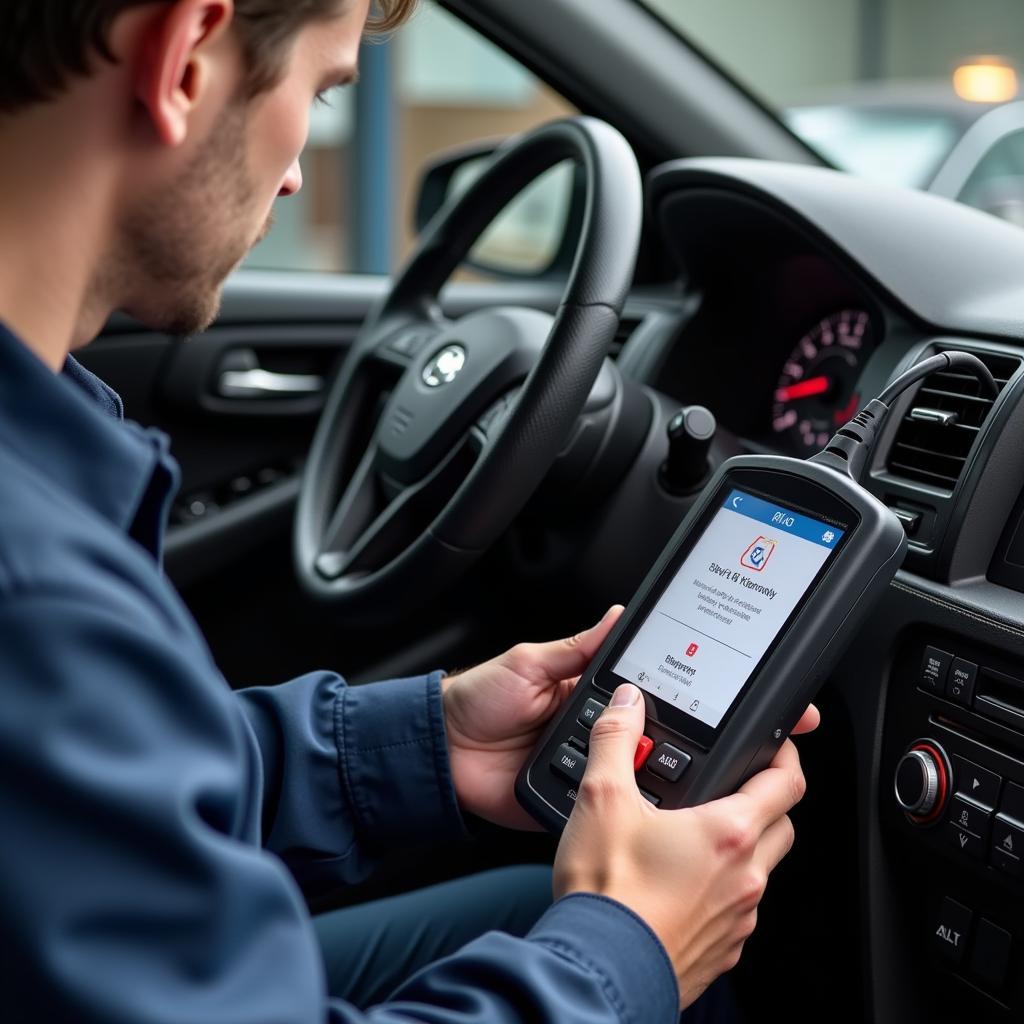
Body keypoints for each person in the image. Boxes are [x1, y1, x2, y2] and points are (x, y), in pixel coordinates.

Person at [0, 1, 819, 1021]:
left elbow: (100, 798)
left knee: (541, 909)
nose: (297, 170)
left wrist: (422, 748)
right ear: (184, 58)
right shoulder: (37, 592)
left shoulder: (39, 486)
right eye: (322, 88)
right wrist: (628, 952)